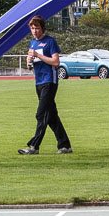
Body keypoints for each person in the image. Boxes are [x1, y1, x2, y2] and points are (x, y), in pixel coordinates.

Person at [18, 15, 72, 156]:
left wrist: (38, 55)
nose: (35, 31)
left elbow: (56, 62)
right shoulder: (32, 43)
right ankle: (65, 145)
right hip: (39, 82)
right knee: (52, 116)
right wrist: (29, 61)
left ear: (42, 28)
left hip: (50, 81)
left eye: (37, 28)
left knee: (41, 114)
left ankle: (33, 146)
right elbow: (30, 67)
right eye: (32, 28)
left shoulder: (50, 42)